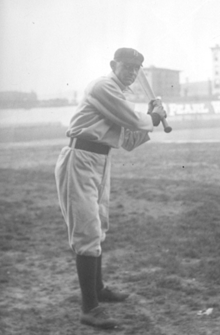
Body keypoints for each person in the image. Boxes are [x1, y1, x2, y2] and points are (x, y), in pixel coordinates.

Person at [55, 47, 167, 329]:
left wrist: (152, 117)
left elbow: (129, 140)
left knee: (98, 226)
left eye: (135, 69)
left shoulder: (118, 94)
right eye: (126, 66)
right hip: (80, 158)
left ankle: (99, 288)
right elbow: (132, 119)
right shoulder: (104, 86)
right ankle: (89, 308)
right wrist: (152, 117)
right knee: (87, 231)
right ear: (113, 65)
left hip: (101, 160)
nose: (130, 72)